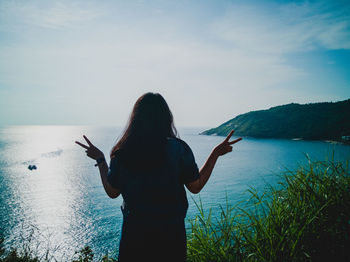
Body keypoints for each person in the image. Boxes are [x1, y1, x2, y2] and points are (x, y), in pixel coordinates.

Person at [75, 92, 242, 261]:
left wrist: (101, 159)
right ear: (166, 118)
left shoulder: (123, 153)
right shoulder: (178, 149)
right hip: (171, 239)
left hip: (134, 240)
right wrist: (215, 153)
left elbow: (112, 192)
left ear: (136, 119)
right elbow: (195, 186)